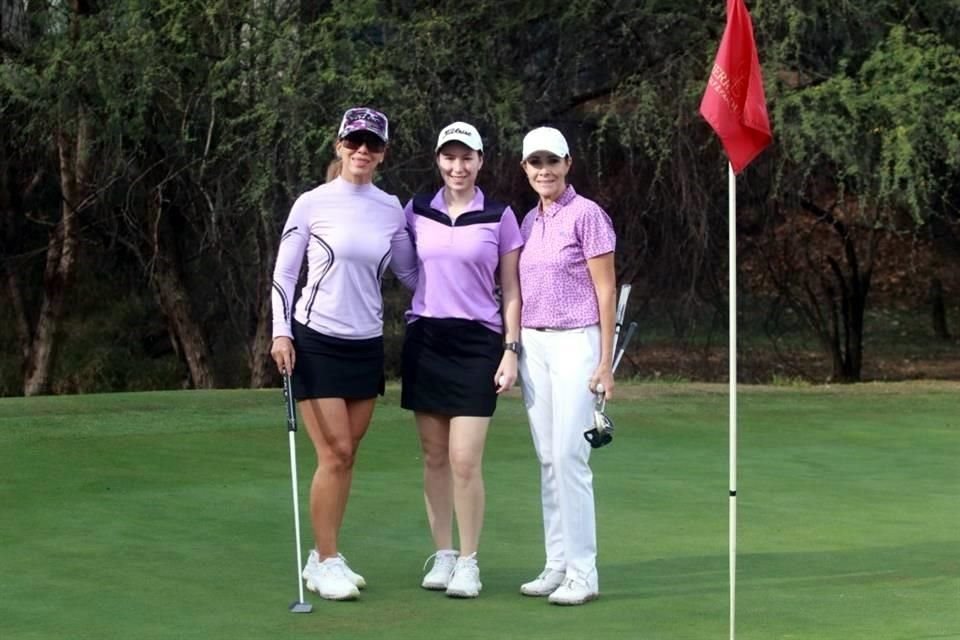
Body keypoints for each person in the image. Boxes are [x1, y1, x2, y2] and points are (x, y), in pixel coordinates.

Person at [270, 107, 417, 601]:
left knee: (347, 457)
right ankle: (328, 560)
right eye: (354, 141)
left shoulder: (390, 208)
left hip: (365, 343)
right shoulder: (312, 203)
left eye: (372, 144)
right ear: (338, 146)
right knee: (332, 453)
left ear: (383, 153)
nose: (362, 151)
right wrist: (280, 333)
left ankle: (322, 554)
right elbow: (285, 275)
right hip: (315, 341)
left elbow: (411, 275)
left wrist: (471, 289)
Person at [401, 121, 523, 598]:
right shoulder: (417, 210)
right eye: (450, 157)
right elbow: (407, 268)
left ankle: (469, 561)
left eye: (467, 157)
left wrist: (510, 349)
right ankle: (444, 553)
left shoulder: (499, 215)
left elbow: (511, 289)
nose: (458, 166)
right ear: (438, 160)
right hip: (427, 339)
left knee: (464, 460)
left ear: (480, 161)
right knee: (434, 457)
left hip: (478, 343)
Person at [515, 126, 616, 606]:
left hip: (578, 341)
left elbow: (606, 290)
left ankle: (583, 571)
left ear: (568, 163)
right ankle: (557, 563)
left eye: (552, 162)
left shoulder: (587, 214)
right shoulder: (526, 223)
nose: (544, 171)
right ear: (525, 169)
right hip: (535, 346)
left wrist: (605, 361)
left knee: (571, 457)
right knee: (548, 457)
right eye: (536, 163)